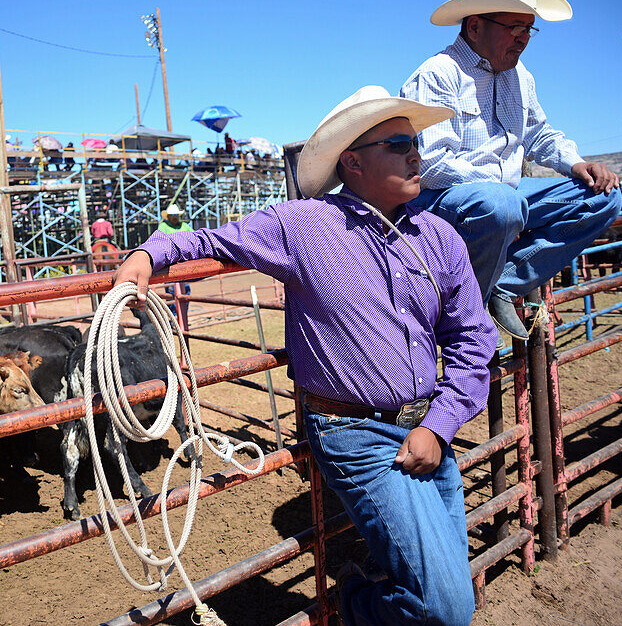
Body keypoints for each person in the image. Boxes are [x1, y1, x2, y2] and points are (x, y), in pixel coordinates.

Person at [115, 86, 496, 626]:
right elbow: (211, 239)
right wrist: (147, 254)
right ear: (354, 163)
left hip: (430, 425)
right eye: (398, 143)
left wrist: (440, 424)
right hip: (355, 432)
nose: (416, 155)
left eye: (416, 142)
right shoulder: (303, 225)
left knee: (450, 592)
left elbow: (473, 339)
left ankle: (367, 598)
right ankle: (354, 606)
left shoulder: (438, 237)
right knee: (448, 608)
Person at [400, 0, 621, 339]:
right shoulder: (439, 73)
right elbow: (433, 165)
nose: (523, 39)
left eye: (528, 29)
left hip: (503, 196)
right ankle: (466, 314)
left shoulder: (522, 77)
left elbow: (539, 134)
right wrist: (500, 188)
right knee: (500, 203)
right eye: (513, 27)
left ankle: (504, 282)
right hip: (447, 198)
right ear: (474, 26)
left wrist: (578, 163)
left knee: (603, 198)